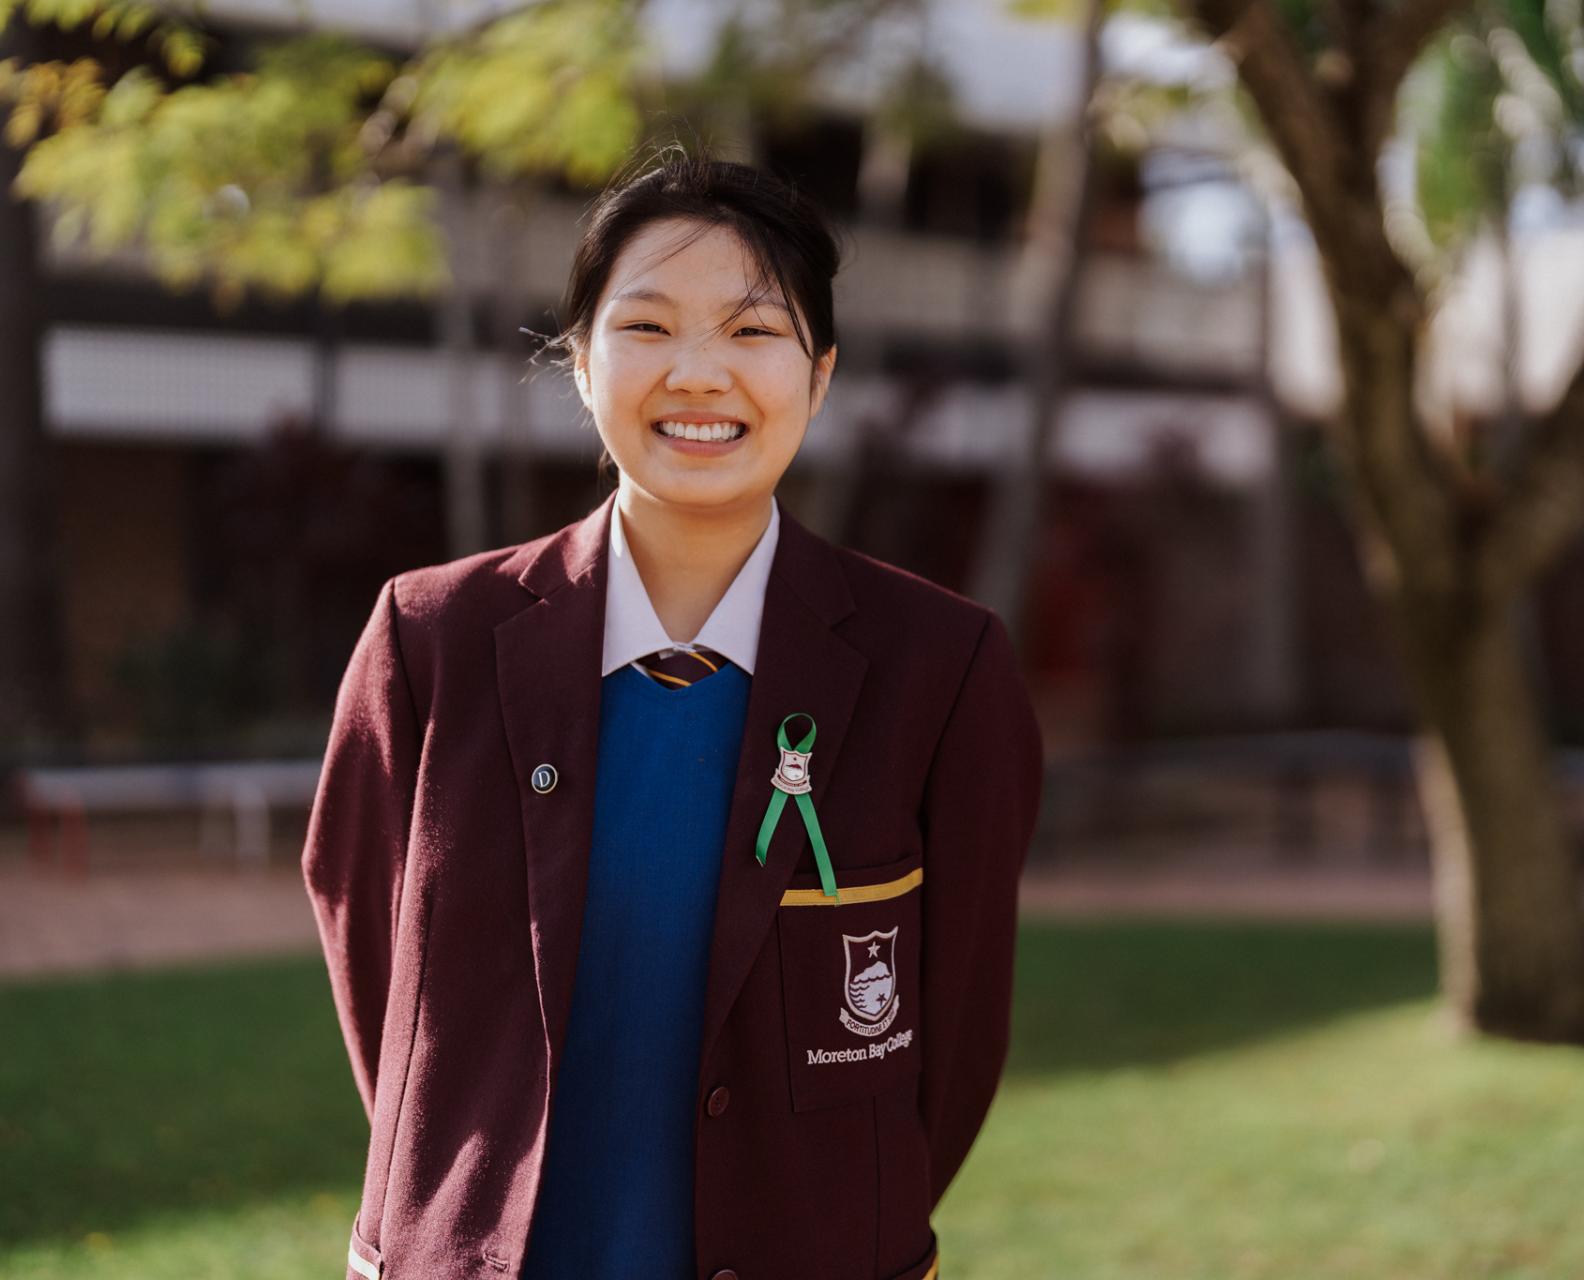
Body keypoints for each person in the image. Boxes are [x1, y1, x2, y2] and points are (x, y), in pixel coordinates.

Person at [300, 149, 1046, 1280]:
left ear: (821, 372)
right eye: (646, 328)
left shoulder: (940, 670)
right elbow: (376, 969)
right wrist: (466, 1180)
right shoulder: (428, 639)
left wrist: (833, 1211)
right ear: (581, 365)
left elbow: (956, 1033)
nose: (700, 373)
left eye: (753, 333)